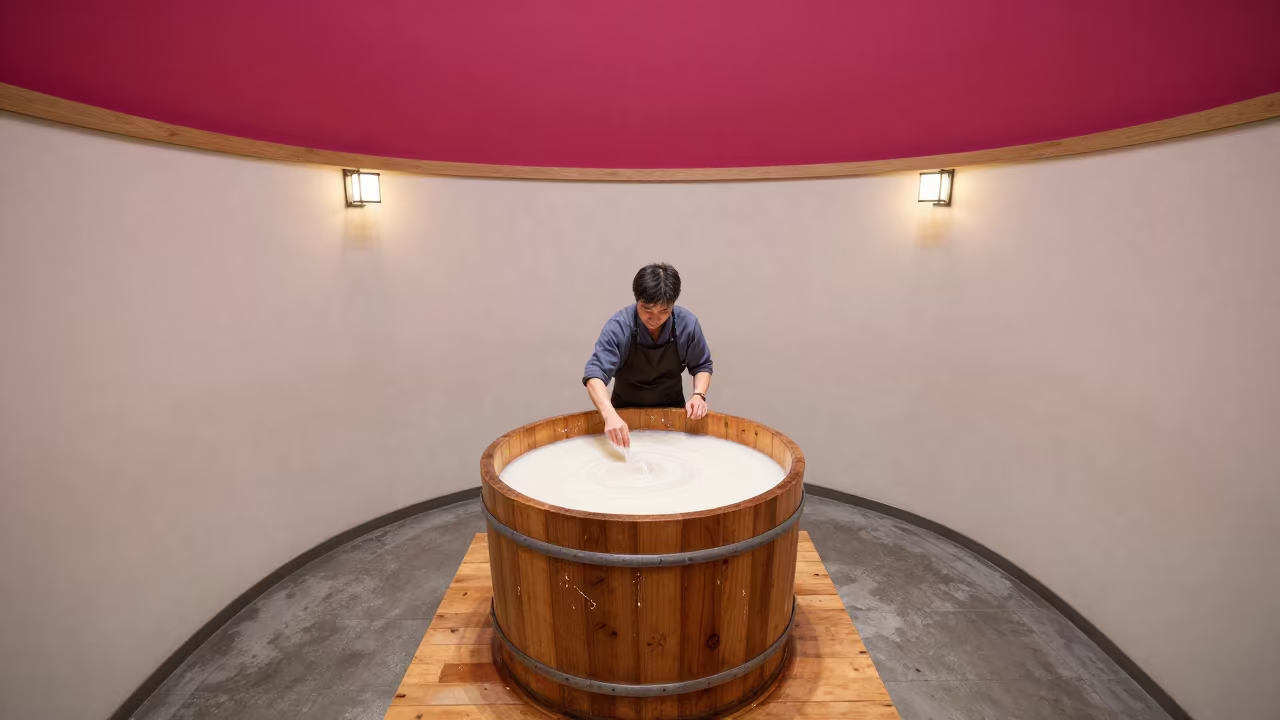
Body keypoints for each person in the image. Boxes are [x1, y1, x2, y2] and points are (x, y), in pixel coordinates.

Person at [583, 263, 713, 449]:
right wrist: (609, 415)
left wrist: (699, 395)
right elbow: (594, 375)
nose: (655, 318)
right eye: (647, 310)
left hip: (672, 414)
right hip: (623, 416)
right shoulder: (619, 326)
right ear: (638, 300)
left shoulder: (687, 324)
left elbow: (701, 365)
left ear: (673, 304)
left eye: (664, 311)